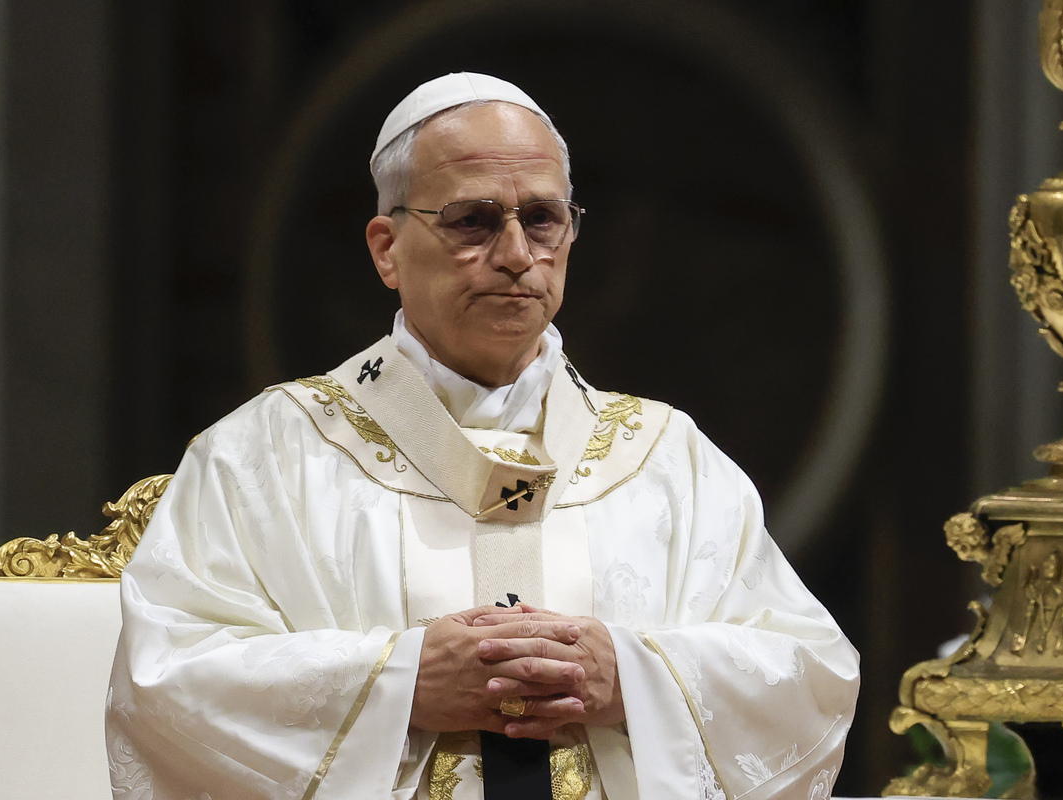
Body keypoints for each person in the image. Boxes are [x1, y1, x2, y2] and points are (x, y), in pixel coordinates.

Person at [106, 72, 860, 800]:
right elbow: (168, 682)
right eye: (473, 221)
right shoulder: (263, 458)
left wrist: (633, 677)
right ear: (386, 248)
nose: (516, 255)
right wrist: (400, 682)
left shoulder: (670, 462)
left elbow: (810, 674)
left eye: (542, 219)